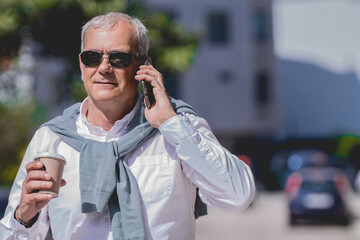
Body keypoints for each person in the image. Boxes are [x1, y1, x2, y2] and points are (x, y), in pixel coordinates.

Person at [0, 12, 255, 240]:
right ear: (81, 64)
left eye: (118, 58)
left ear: (142, 65)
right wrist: (24, 216)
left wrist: (171, 124)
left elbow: (238, 196)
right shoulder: (52, 139)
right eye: (92, 57)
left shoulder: (176, 127)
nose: (103, 68)